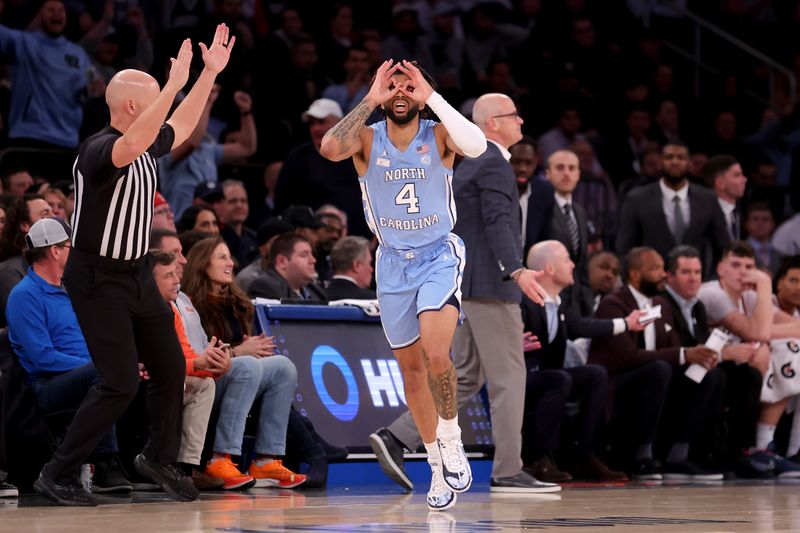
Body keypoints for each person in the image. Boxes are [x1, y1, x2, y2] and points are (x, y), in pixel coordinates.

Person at [33, 25, 235, 506]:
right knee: (120, 382)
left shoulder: (147, 146)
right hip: (96, 277)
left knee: (169, 366)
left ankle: (158, 457)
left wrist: (206, 76)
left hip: (136, 273)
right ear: (130, 108)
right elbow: (132, 145)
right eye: (155, 101)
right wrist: (171, 85)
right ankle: (57, 472)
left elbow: (181, 127)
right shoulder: (99, 150)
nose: (163, 108)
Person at [320, 59, 488, 510]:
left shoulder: (438, 134)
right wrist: (369, 99)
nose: (400, 91)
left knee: (437, 353)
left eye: (408, 84)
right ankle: (435, 463)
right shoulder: (367, 138)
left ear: (423, 92)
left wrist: (430, 95)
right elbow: (329, 148)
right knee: (412, 371)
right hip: (392, 263)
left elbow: (476, 144)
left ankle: (451, 437)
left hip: (438, 254)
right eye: (392, 84)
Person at [6, 218, 131, 493]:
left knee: (128, 370)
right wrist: (97, 364)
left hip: (82, 373)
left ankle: (154, 462)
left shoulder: (73, 289)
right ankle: (104, 463)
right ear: (54, 250)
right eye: (69, 246)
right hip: (47, 385)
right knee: (107, 374)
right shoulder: (24, 295)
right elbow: (43, 358)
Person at [180, 236, 309, 488]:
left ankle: (266, 461)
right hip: (205, 378)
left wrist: (245, 352)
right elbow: (201, 354)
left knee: (283, 367)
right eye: (222, 257)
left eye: (230, 256)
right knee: (248, 365)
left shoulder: (237, 304)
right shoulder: (190, 304)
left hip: (236, 375)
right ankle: (220, 458)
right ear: (203, 264)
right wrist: (240, 352)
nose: (231, 263)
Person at [589, 247, 723, 480]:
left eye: (663, 268)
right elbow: (627, 357)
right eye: (655, 268)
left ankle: (678, 456)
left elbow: (670, 349)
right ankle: (641, 456)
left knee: (705, 374)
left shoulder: (661, 305)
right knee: (659, 370)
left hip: (657, 381)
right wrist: (683, 354)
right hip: (618, 384)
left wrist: (697, 357)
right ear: (635, 274)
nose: (663, 274)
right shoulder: (613, 304)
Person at [522, 240, 637, 482]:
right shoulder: (522, 300)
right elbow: (496, 333)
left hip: (549, 377)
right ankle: (537, 457)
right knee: (559, 378)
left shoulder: (559, 303)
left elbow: (583, 326)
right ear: (550, 269)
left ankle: (585, 454)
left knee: (595, 374)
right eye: (566, 260)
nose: (573, 265)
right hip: (521, 377)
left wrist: (627, 323)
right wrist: (511, 345)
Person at [150, 251, 227, 490]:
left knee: (205, 384)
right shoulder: (144, 311)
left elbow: (184, 355)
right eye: (168, 276)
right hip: (145, 378)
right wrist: (198, 365)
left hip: (166, 375)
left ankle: (186, 466)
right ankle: (159, 462)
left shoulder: (172, 309)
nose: (177, 281)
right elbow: (158, 362)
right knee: (180, 381)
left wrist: (214, 367)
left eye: (176, 274)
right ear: (149, 281)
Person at [615, 142, 730, 279]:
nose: (675, 162)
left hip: (697, 284)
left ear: (689, 163)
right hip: (651, 284)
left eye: (681, 158)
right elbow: (625, 247)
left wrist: (712, 280)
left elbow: (723, 247)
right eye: (669, 157)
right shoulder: (637, 199)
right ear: (660, 163)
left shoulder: (708, 199)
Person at [0, 0, 92, 149]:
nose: (56, 13)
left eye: (61, 10)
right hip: (29, 137)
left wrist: (95, 90)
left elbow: (86, 93)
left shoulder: (78, 54)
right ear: (39, 15)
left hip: (68, 141)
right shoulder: (23, 43)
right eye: (50, 9)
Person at [275, 99, 370, 237]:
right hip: (312, 241)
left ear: (340, 123)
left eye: (322, 122)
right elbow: (282, 201)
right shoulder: (298, 158)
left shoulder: (358, 153)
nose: (316, 128)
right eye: (312, 123)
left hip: (357, 239)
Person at [0, 194, 53, 328]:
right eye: (45, 214)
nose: (54, 218)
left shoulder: (63, 263)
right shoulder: (9, 271)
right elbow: (24, 325)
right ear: (25, 225)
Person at [247, 233, 327, 301]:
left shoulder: (316, 291)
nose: (313, 260)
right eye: (304, 255)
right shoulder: (265, 287)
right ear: (282, 262)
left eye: (311, 254)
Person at [235, 217, 294, 294]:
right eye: (277, 243)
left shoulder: (299, 274)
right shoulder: (249, 278)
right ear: (263, 249)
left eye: (290, 243)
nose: (286, 248)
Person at [218, 180, 258, 268]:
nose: (239, 205)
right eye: (233, 201)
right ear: (219, 205)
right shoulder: (215, 238)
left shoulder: (254, 238)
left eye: (243, 201)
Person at [708, 155, 747, 241]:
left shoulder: (737, 213)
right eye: (737, 175)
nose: (744, 179)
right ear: (720, 183)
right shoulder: (707, 217)